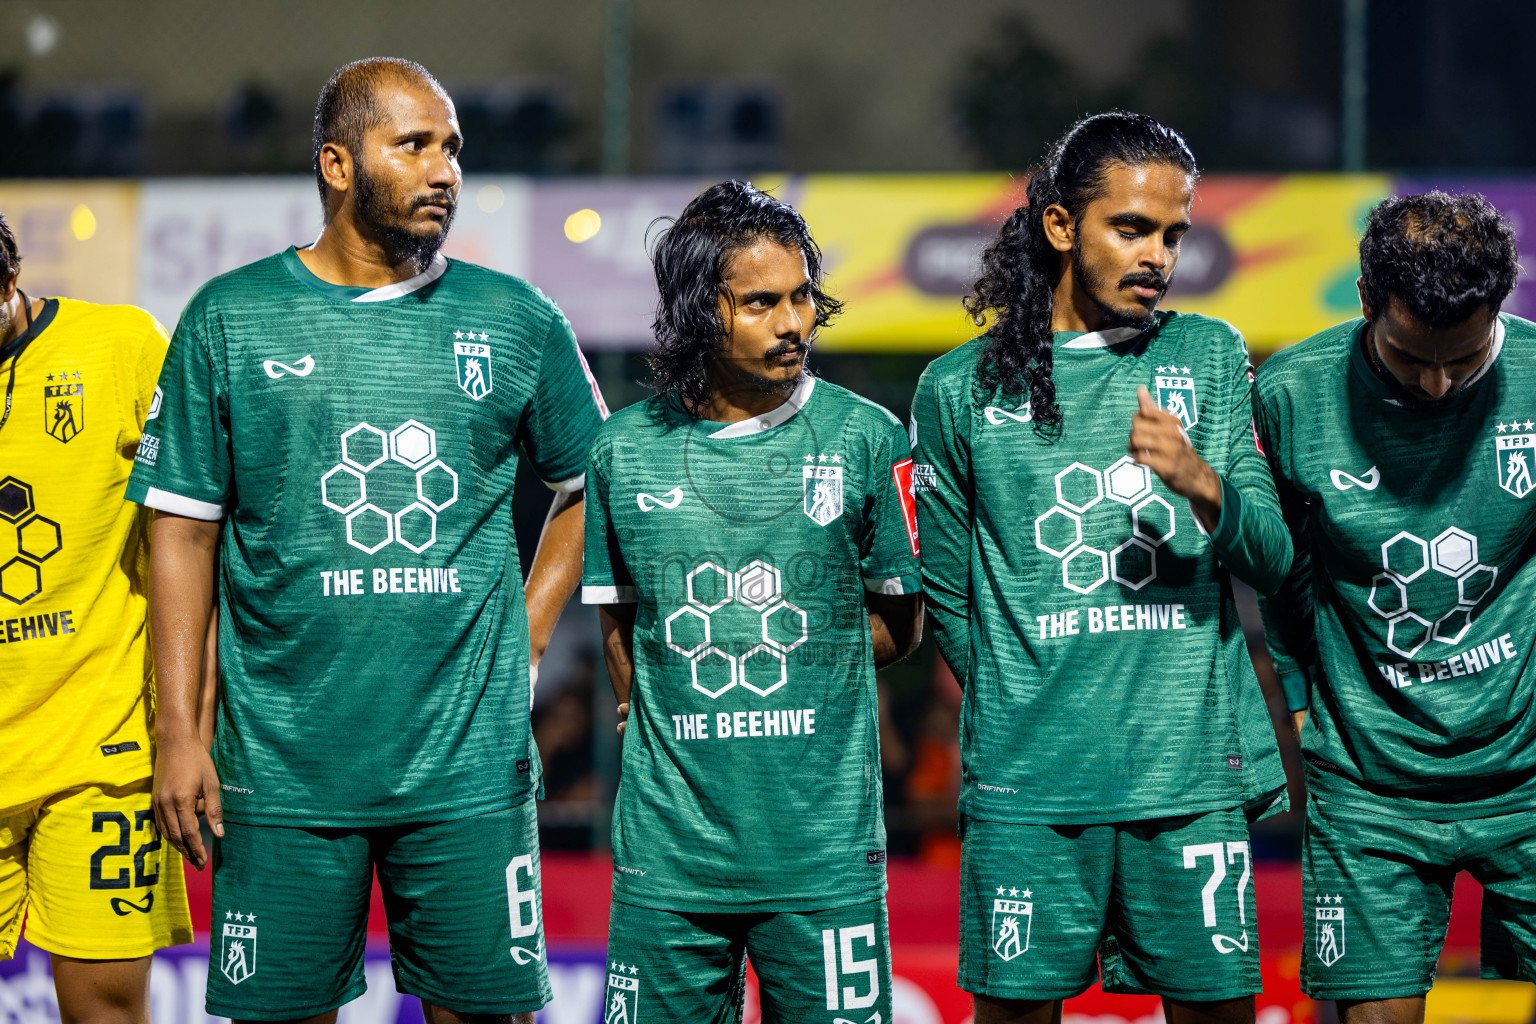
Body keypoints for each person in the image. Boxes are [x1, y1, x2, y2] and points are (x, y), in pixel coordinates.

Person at [126, 57, 606, 1023]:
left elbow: (594, 485)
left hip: (468, 765)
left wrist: (529, 630)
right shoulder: (230, 317)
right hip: (283, 765)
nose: (444, 171)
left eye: (453, 149)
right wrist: (177, 732)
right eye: (415, 145)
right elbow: (178, 535)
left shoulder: (514, 318)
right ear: (339, 165)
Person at [910, 112, 1293, 1024]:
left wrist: (1201, 481)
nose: (1157, 254)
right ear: (1059, 226)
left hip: (1188, 778)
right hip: (1031, 785)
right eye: (1131, 228)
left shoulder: (1206, 354)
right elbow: (947, 591)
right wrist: (1019, 692)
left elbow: (1275, 559)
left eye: (1172, 233)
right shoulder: (960, 388)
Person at [582, 180, 924, 1023]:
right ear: (704, 312)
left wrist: (789, 654)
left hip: (824, 855)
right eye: (762, 302)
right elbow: (619, 618)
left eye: (803, 295)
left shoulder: (870, 437)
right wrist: (649, 696)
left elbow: (901, 623)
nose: (793, 323)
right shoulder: (622, 452)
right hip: (669, 860)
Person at [1255, 191, 1535, 1020]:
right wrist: (1304, 699)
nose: (1439, 381)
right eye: (1413, 357)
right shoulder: (1291, 395)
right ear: (1367, 300)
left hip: (1527, 773)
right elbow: (1280, 570)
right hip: (1369, 784)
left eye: (1466, 355)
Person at [0, 211, 194, 1022]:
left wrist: (189, 726)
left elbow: (190, 530)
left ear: (8, 282)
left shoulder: (119, 348)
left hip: (98, 752)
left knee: (106, 1011)